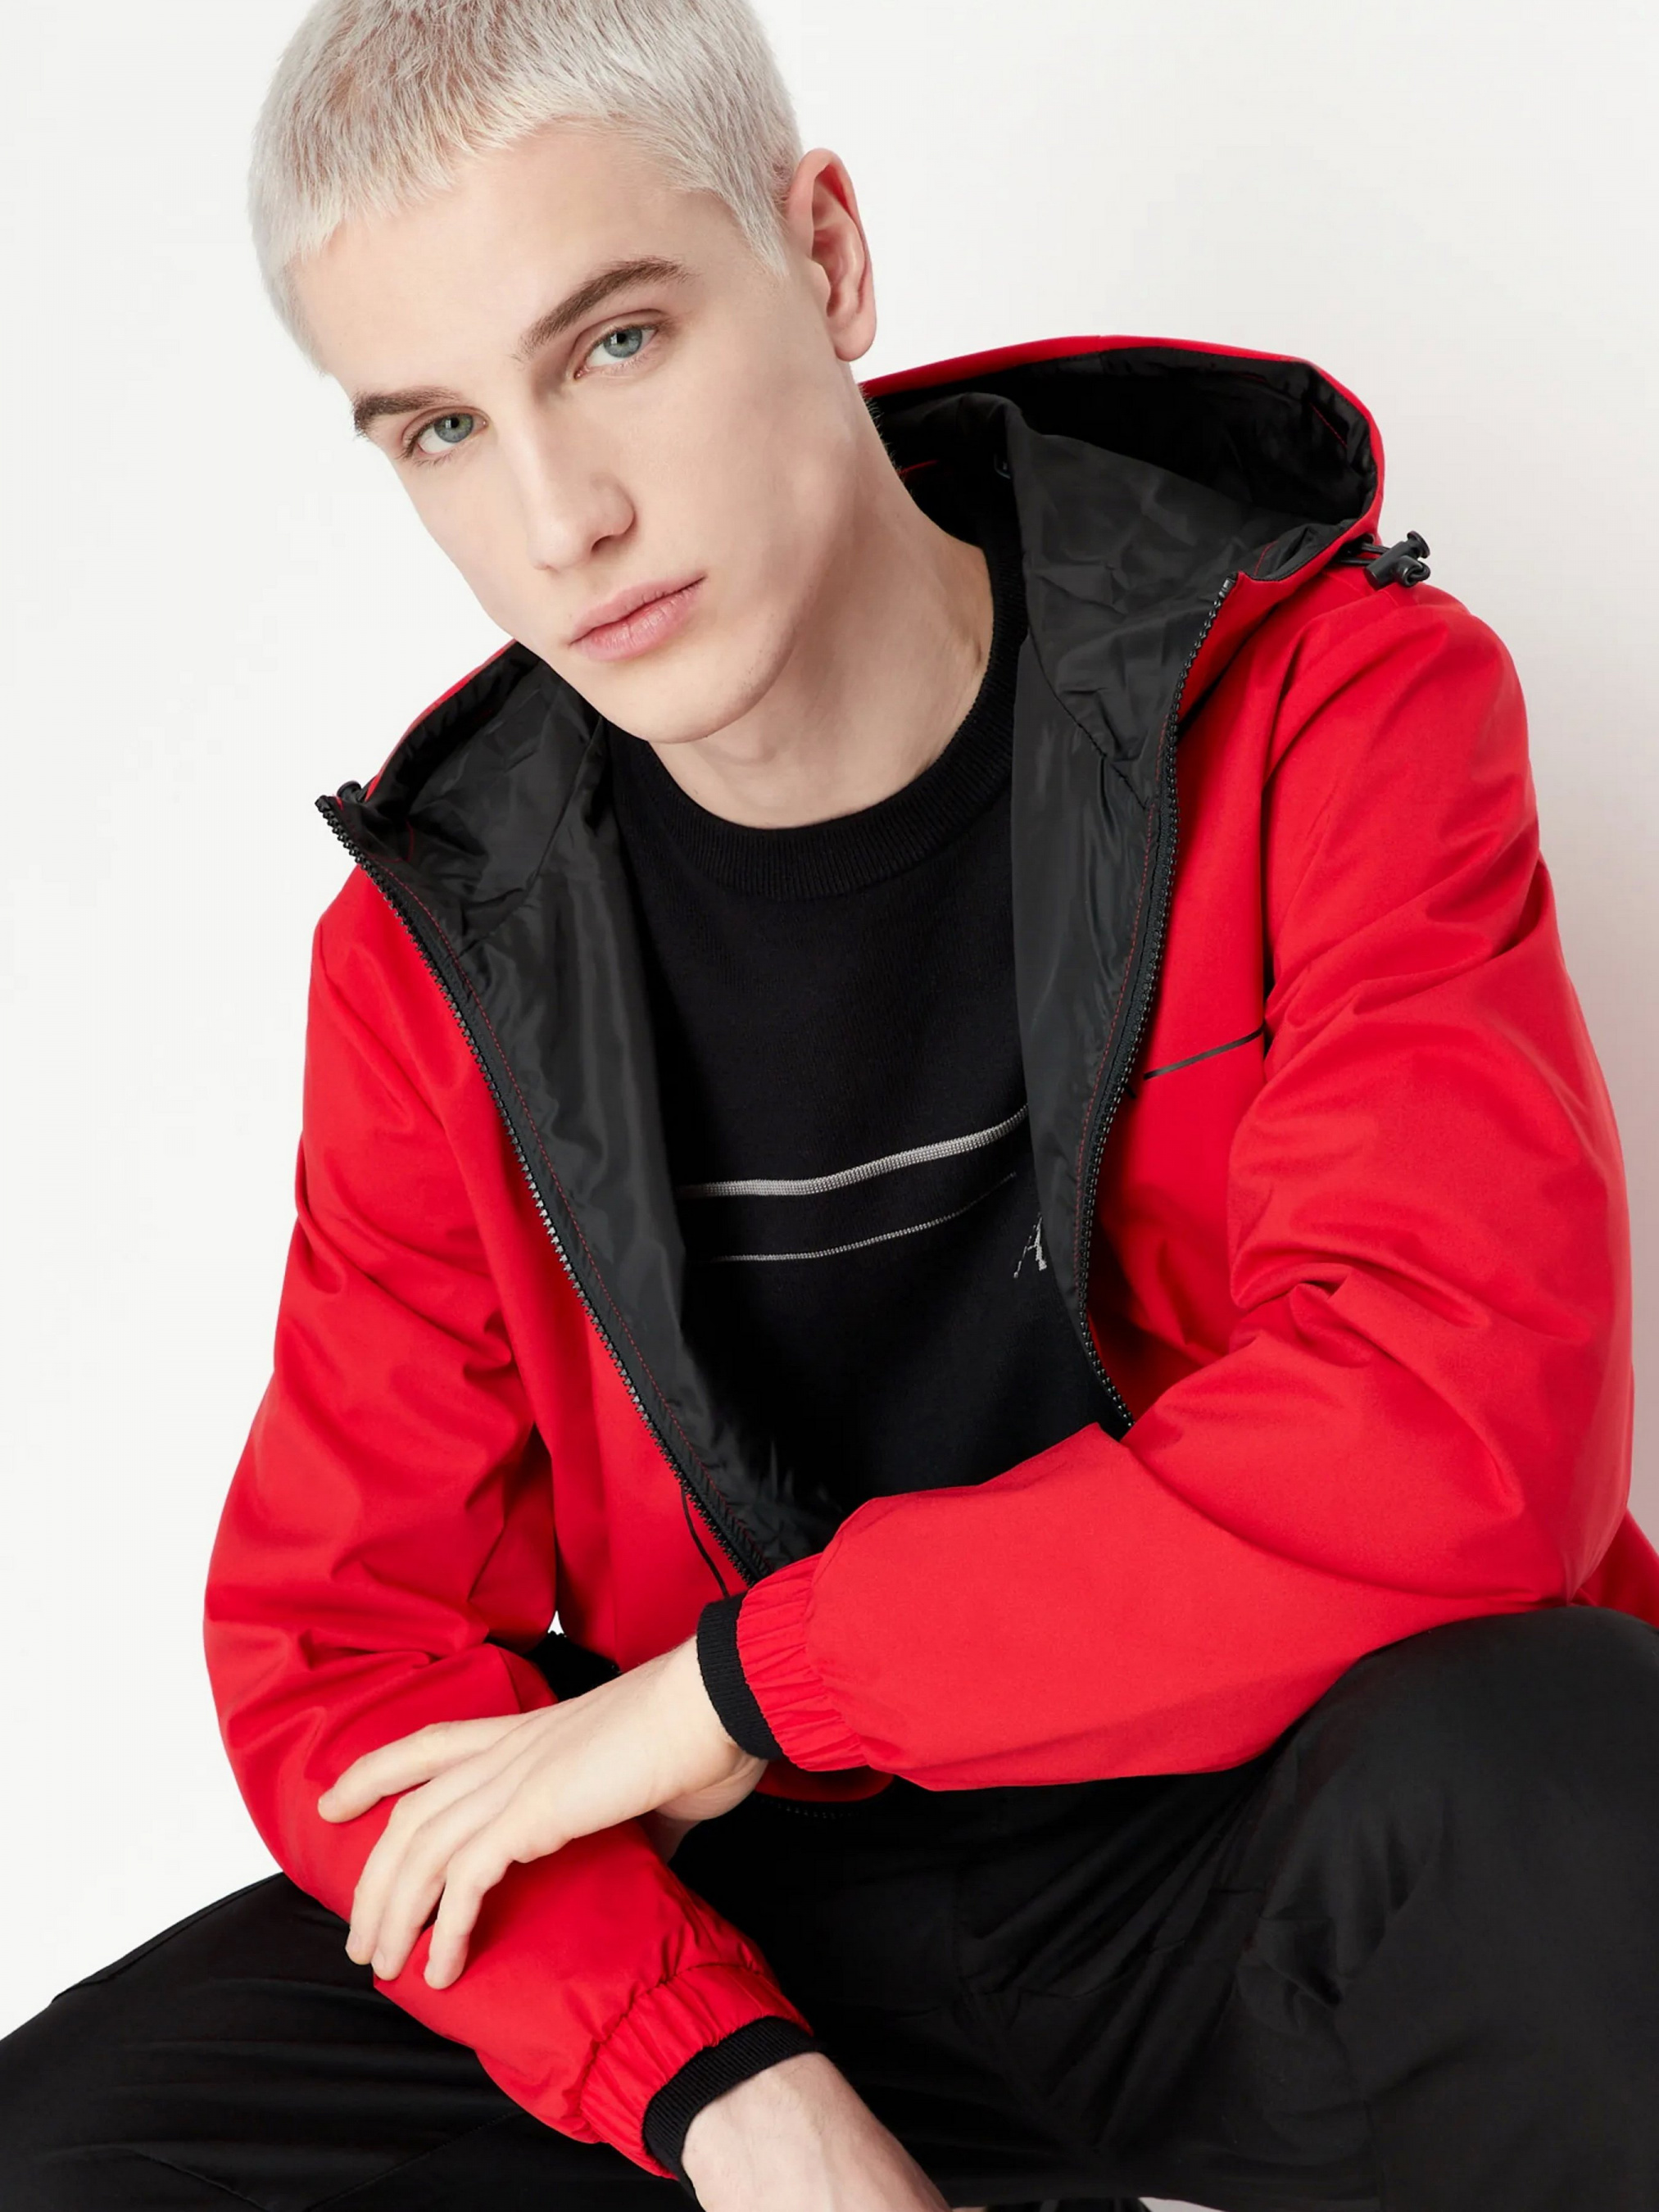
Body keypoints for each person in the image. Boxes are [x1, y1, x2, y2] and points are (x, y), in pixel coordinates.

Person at [5, 0, 1659, 2206]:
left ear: (826, 255)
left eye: (615, 343)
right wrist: (712, 2079)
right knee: (79, 2145)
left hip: (1260, 1826)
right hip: (784, 1908)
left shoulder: (1327, 710)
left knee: (1575, 1780)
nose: (562, 520)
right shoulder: (437, 955)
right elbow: (351, 1648)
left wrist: (736, 1689)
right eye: (441, 429)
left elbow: (1452, 1425)